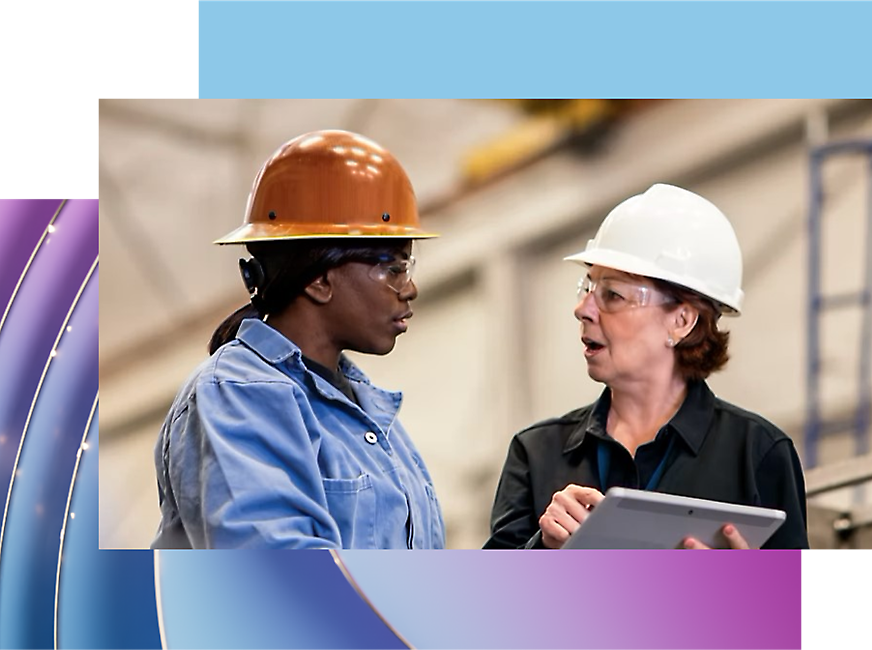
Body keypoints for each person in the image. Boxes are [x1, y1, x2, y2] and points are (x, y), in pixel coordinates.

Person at [151, 130, 446, 549]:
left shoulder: (371, 418)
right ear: (320, 279)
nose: (409, 287)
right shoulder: (238, 395)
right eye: (393, 267)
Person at [485, 183, 809, 550]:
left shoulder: (756, 454)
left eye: (612, 294)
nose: (583, 309)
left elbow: (798, 607)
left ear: (682, 321)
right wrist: (543, 550)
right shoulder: (536, 454)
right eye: (588, 287)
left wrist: (739, 595)